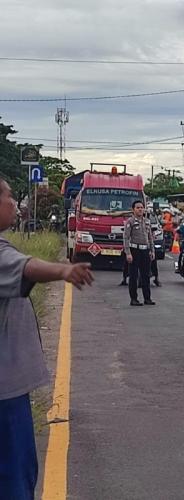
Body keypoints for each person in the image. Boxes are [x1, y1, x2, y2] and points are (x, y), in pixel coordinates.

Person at [0, 177, 93, 499]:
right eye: (9, 197)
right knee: (14, 478)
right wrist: (63, 271)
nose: (15, 203)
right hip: (4, 392)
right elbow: (25, 267)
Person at [123, 200, 155, 306]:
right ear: (133, 210)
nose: (140, 209)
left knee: (146, 275)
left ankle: (147, 298)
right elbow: (126, 238)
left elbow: (150, 237)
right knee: (133, 276)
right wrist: (128, 253)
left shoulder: (147, 222)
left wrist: (151, 250)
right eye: (138, 207)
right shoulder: (130, 222)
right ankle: (134, 299)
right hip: (134, 250)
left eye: (142, 207)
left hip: (145, 250)